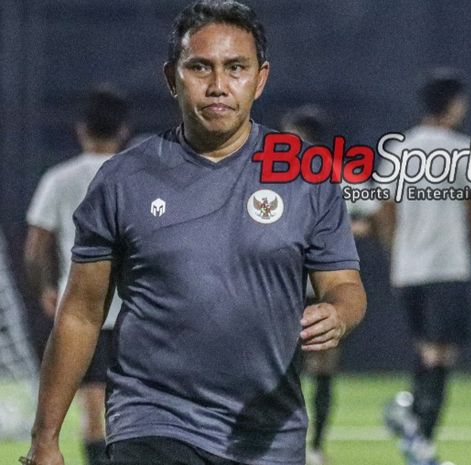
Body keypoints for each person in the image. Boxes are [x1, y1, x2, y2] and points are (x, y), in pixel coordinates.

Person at [24, 2, 366, 465]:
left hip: (267, 434)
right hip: (151, 421)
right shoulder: (123, 179)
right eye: (200, 67)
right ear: (172, 77)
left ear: (260, 79)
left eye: (236, 68)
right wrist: (45, 438)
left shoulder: (308, 177)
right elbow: (82, 311)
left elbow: (345, 286)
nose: (218, 85)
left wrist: (338, 313)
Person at [380, 70, 471, 465]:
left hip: (409, 269)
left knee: (425, 349)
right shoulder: (461, 149)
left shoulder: (400, 149)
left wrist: (395, 251)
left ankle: (409, 417)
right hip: (447, 267)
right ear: (452, 105)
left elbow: (385, 208)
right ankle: (423, 440)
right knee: (442, 355)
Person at [24, 86, 130, 465]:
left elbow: (36, 245)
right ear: (122, 132)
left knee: (93, 411)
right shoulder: (138, 176)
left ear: (82, 130)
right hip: (140, 313)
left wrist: (47, 289)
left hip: (85, 312)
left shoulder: (60, 178)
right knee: (138, 410)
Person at [280, 106, 379, 465]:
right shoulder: (278, 173)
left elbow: (372, 218)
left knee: (314, 367)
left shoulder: (330, 174)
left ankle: (313, 446)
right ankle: (302, 445)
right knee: (297, 368)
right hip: (299, 285)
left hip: (312, 286)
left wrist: (332, 234)